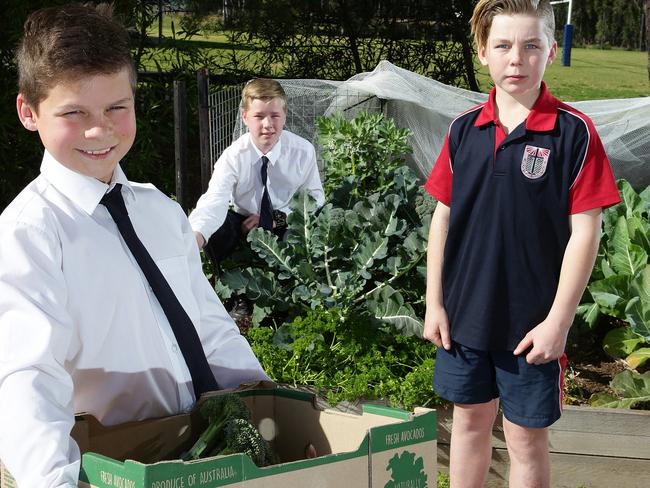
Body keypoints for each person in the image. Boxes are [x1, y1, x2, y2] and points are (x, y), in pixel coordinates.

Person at [0, 4, 269, 487]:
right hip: (118, 465)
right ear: (29, 112)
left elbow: (208, 325)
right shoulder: (29, 232)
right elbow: (27, 376)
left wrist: (270, 407)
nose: (99, 130)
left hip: (209, 451)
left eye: (115, 108)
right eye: (73, 113)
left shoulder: (159, 212)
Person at [423, 1, 620, 486]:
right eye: (504, 46)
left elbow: (585, 233)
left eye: (531, 46)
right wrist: (434, 303)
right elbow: (442, 221)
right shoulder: (462, 130)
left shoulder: (574, 133)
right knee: (467, 425)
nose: (517, 59)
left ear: (551, 51)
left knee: (525, 441)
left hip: (532, 326)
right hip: (464, 317)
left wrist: (559, 322)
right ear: (483, 52)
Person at [188, 78, 325, 275]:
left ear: (285, 115)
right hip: (243, 222)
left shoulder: (303, 151)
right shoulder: (233, 156)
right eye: (259, 116)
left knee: (309, 228)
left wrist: (278, 218)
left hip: (285, 220)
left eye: (275, 116)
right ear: (245, 117)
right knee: (219, 228)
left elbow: (315, 197)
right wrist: (196, 237)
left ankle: (291, 284)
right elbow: (214, 200)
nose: (268, 124)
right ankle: (232, 283)